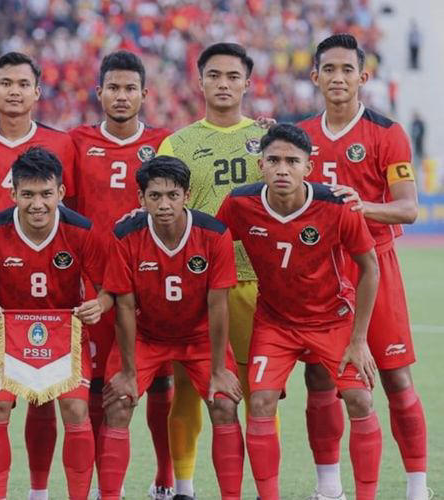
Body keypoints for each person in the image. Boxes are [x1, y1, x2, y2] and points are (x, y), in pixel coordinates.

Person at [216, 124, 381, 500]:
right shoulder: (239, 203)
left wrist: (359, 341)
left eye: (292, 161)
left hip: (332, 320)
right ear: (261, 165)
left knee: (360, 399)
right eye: (273, 160)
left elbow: (370, 267)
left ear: (309, 166)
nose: (282, 169)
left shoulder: (336, 205)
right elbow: (205, 240)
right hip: (274, 323)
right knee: (260, 402)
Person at [299, 33, 427, 500]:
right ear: (315, 76)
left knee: (395, 377)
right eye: (329, 69)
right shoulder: (301, 136)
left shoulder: (387, 133)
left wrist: (361, 207)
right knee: (319, 376)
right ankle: (328, 486)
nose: (338, 77)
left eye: (347, 69)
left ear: (363, 76)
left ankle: (417, 486)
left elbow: (408, 208)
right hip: (320, 270)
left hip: (375, 264)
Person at [155, 42, 270, 500]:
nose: (224, 84)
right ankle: (184, 488)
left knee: (259, 391)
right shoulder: (176, 143)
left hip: (254, 281)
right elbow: (161, 211)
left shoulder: (268, 139)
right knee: (188, 388)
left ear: (248, 83)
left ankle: (264, 489)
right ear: (200, 82)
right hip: (195, 283)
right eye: (215, 75)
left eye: (233, 76)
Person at [0, 147, 105, 500]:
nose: (37, 204)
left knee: (76, 408)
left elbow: (108, 288)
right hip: (8, 330)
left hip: (65, 330)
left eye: (45, 194)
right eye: (28, 195)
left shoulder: (81, 230)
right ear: (13, 194)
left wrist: (99, 304)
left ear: (60, 193)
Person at [0, 52, 78, 500]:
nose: (14, 91)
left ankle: (38, 491)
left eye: (22, 83)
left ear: (37, 91)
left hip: (45, 289)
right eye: (5, 83)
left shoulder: (61, 143)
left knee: (42, 393)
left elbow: (72, 213)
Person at [98, 155, 244, 500]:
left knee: (224, 403)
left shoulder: (214, 233)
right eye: (155, 196)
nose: (164, 205)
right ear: (141, 198)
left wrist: (219, 370)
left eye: (172, 195)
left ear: (186, 195)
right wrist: (129, 372)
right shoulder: (125, 235)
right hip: (146, 337)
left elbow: (218, 304)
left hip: (199, 337)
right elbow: (124, 305)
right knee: (118, 402)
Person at [68, 50, 175, 498]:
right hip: (95, 283)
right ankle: (101, 486)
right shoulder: (76, 141)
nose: (121, 95)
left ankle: (166, 478)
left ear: (144, 94)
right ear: (99, 92)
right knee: (100, 386)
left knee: (160, 382)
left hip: (149, 281)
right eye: (113, 87)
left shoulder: (164, 142)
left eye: (130, 88)